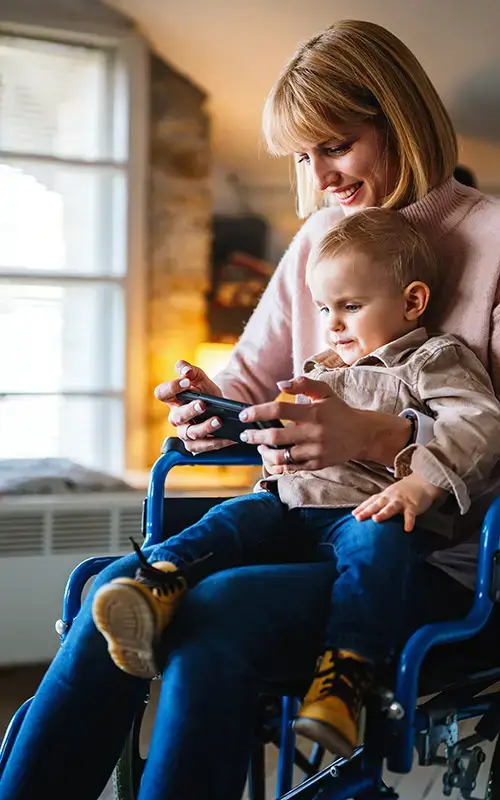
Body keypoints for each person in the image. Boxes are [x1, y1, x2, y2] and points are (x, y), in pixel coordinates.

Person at [2, 19, 500, 800]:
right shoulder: (318, 240)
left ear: (398, 119)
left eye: (335, 146)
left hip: (426, 561)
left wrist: (375, 436)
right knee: (113, 587)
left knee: (216, 611)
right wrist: (207, 405)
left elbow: (485, 428)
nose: (320, 176)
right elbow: (249, 381)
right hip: (296, 525)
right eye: (302, 157)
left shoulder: (493, 239)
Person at [92, 207, 500, 759]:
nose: (333, 325)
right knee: (230, 518)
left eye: (350, 307)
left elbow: (479, 423)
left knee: (378, 544)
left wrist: (423, 482)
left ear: (412, 302)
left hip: (364, 510)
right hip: (290, 502)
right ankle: (156, 585)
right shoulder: (321, 367)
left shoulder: (433, 360)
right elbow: (278, 428)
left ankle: (343, 679)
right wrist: (224, 411)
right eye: (325, 309)